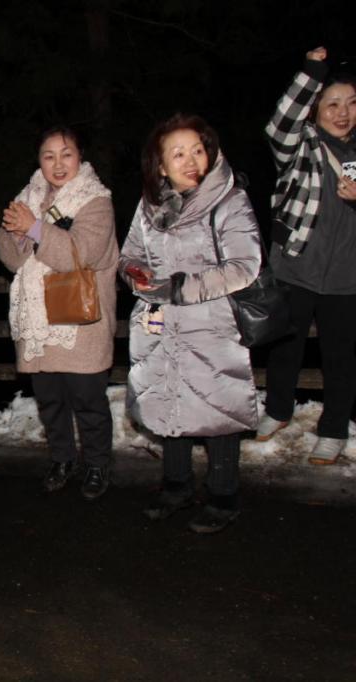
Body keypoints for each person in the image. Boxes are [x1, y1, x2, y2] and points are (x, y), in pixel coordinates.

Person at [119, 113, 261, 534]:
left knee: (218, 406)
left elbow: (245, 265)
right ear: (160, 165)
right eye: (177, 153)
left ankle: (223, 496)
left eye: (197, 150)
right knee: (168, 402)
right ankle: (176, 487)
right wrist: (135, 275)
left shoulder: (229, 200)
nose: (190, 159)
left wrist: (180, 288)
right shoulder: (149, 206)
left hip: (211, 321)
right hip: (161, 322)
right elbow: (129, 254)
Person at [0, 126, 118, 501]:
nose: (58, 163)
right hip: (39, 322)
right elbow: (10, 252)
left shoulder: (96, 201)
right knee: (49, 400)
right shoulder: (28, 196)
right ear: (39, 162)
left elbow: (80, 254)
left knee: (87, 400)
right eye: (49, 156)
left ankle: (97, 466)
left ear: (80, 157)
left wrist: (33, 227)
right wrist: (18, 233)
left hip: (81, 320)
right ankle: (62, 459)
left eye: (66, 154)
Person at [257, 47, 356, 466]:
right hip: (296, 266)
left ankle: (333, 428)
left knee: (340, 356)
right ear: (315, 108)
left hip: (347, 276)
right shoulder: (299, 147)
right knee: (285, 348)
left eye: (352, 103)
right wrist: (311, 72)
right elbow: (279, 123)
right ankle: (278, 410)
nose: (343, 112)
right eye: (332, 103)